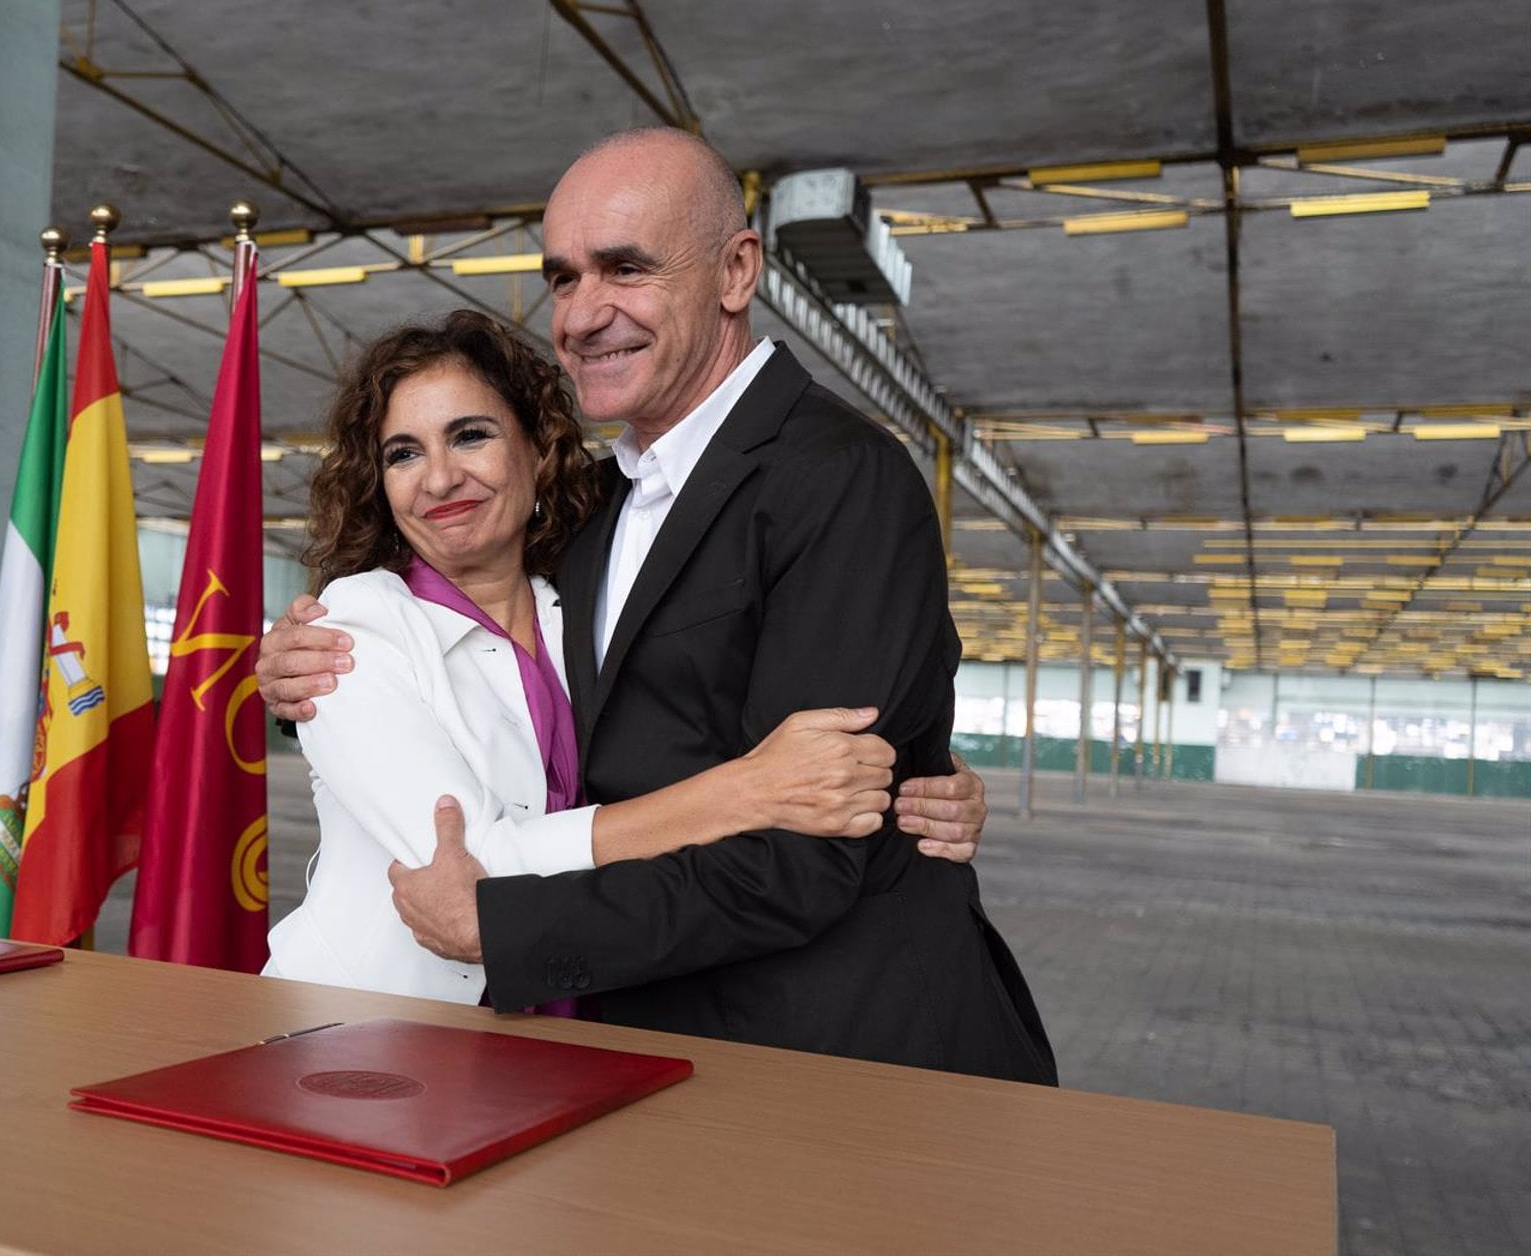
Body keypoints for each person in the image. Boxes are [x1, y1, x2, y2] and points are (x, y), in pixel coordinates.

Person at [261, 128, 1053, 1085]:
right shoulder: (588, 511)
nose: (584, 314)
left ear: (735, 271)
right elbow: (461, 588)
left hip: (832, 1049)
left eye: (624, 269)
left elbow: (810, 851)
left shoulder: (841, 479)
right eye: (562, 278)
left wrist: (508, 928)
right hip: (629, 1034)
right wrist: (297, 660)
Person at [261, 310, 906, 1005]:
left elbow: (699, 716)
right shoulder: (355, 624)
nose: (440, 478)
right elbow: (478, 864)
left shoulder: (584, 608)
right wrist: (744, 792)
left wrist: (922, 773)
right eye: (403, 454)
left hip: (551, 1023)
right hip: (361, 1030)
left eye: (470, 436)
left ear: (537, 451)